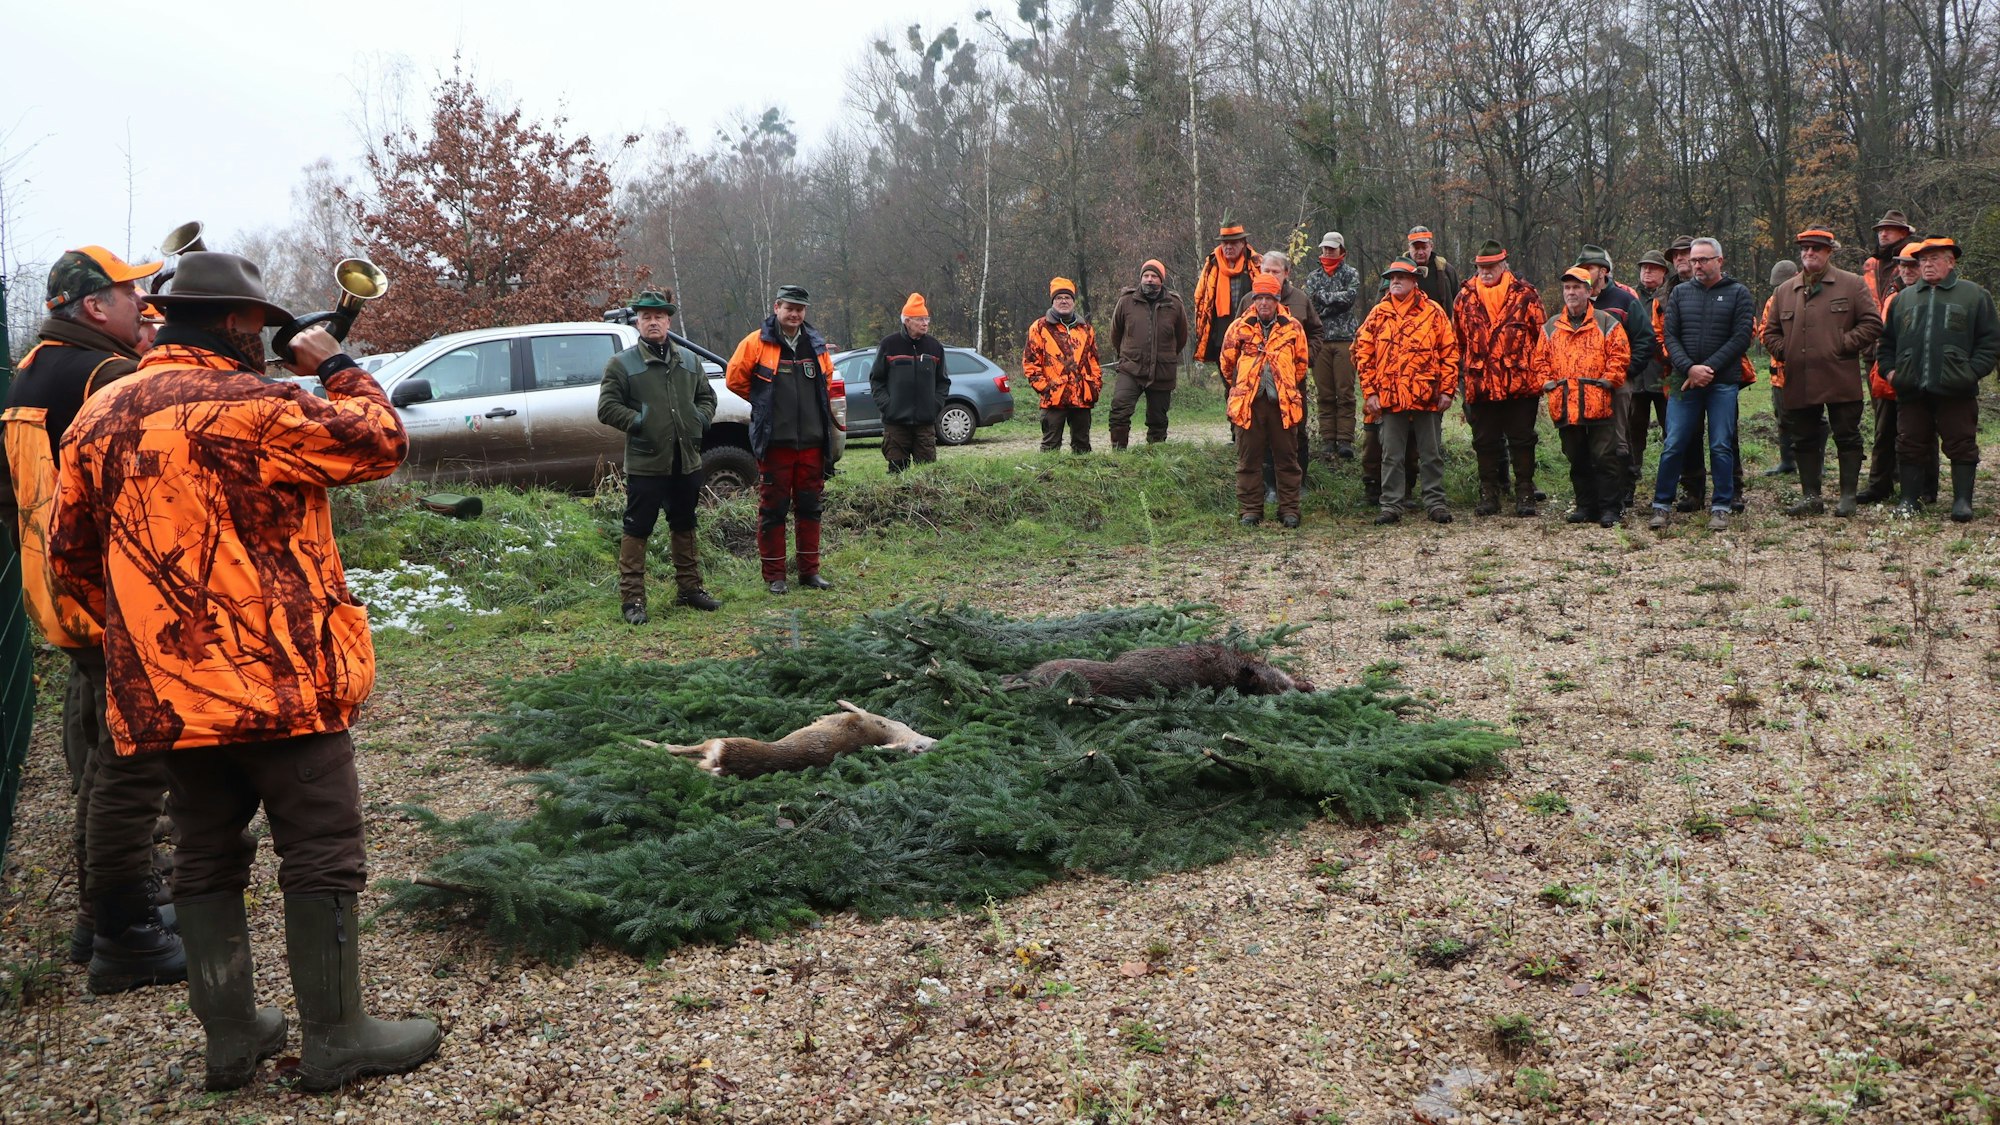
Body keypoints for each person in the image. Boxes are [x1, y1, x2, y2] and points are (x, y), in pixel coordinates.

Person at [49, 251, 438, 1091]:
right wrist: (334, 362)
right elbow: (382, 440)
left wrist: (155, 641)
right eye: (259, 327)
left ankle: (230, 1039)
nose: (264, 341)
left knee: (204, 853)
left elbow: (69, 561)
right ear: (233, 321)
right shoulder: (258, 405)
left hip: (170, 698)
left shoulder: (97, 415)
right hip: (281, 685)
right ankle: (338, 1036)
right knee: (321, 849)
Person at [0, 246, 182, 993]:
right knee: (131, 766)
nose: (143, 301)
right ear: (93, 306)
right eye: (129, 291)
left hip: (56, 590)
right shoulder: (104, 375)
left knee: (102, 758)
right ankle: (124, 929)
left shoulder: (29, 372)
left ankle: (93, 919)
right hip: (109, 592)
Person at [598, 289, 719, 623]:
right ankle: (632, 600)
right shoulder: (621, 364)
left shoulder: (689, 361)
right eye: (647, 317)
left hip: (686, 458)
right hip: (646, 461)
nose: (653, 322)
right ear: (638, 322)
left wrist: (699, 419)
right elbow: (607, 408)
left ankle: (690, 589)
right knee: (638, 527)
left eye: (659, 317)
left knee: (685, 522)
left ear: (668, 322)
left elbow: (707, 398)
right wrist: (640, 421)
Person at [726, 284, 841, 593]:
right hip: (775, 443)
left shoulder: (816, 345)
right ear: (776, 307)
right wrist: (763, 402)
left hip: (812, 443)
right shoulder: (756, 343)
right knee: (773, 509)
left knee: (810, 507)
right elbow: (734, 379)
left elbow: (826, 381)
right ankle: (775, 576)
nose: (794, 314)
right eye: (789, 308)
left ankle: (809, 572)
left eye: (800, 309)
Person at [1877, 237, 2000, 520]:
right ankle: (1909, 500)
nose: (1927, 265)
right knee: (1909, 443)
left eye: (1934, 259)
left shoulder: (1974, 295)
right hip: (1911, 388)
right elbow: (1886, 344)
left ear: (1951, 262)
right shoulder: (1904, 299)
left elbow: (1990, 343)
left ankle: (1962, 502)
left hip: (1956, 388)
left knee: (1962, 443)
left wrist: (1971, 372)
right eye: (1923, 260)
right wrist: (1892, 373)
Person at [1763, 228, 1883, 517]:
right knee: (1803, 438)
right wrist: (1787, 350)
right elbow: (1770, 332)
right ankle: (1811, 498)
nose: (1809, 253)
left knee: (1847, 435)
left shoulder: (1851, 284)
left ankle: (1848, 496)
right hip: (1799, 379)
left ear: (1829, 251)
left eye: (1816, 248)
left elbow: (1872, 324)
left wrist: (1842, 344)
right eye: (1805, 248)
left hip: (1840, 375)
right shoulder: (1784, 290)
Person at [1651, 237, 1755, 531]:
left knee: (1721, 444)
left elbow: (1741, 337)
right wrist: (1690, 368)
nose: (1696, 264)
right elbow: (1670, 337)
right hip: (1684, 381)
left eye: (1703, 259)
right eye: (1694, 260)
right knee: (1674, 442)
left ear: (1719, 261)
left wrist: (1708, 368)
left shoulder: (1738, 293)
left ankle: (1721, 506)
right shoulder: (1680, 293)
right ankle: (1661, 505)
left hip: (1722, 382)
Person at [1355, 257, 1459, 525]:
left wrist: (1447, 390)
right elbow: (1363, 354)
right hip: (1389, 397)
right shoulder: (1378, 313)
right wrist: (1370, 393)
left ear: (1414, 281)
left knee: (1431, 454)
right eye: (1392, 278)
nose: (1395, 281)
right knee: (1391, 455)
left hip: (1427, 395)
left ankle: (1435, 503)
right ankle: (1391, 505)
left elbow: (1449, 352)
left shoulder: (1433, 312)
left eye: (1401, 277)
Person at [1453, 240, 1545, 516]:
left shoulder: (1526, 295)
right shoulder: (1464, 297)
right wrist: (1461, 377)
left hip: (1520, 384)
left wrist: (1540, 378)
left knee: (1523, 440)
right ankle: (1489, 494)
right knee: (1484, 442)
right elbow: (1457, 342)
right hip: (1480, 383)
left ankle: (1525, 493)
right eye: (1481, 267)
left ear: (1504, 264)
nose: (1485, 271)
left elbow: (1541, 340)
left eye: (1491, 266)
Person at [1535, 267, 1632, 527]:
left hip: (1599, 400)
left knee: (1605, 457)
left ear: (1589, 292)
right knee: (1576, 457)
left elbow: (1620, 355)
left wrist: (1608, 380)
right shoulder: (1551, 326)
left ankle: (1610, 508)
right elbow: (1540, 360)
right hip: (1565, 402)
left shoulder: (1606, 322)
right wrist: (1548, 383)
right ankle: (1585, 506)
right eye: (1567, 287)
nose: (1571, 292)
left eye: (1577, 287)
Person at [1220, 274, 1310, 526]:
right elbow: (1227, 364)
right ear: (1253, 300)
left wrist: (1283, 383)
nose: (1263, 303)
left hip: (1283, 405)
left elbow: (1301, 364)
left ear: (1277, 299)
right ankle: (1250, 510)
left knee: (1287, 460)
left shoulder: (1293, 327)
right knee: (1248, 460)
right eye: (1259, 298)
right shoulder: (1239, 327)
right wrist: (1244, 386)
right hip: (1249, 405)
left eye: (1269, 298)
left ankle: (1289, 510)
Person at [1576, 245, 1655, 511]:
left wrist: (1627, 372)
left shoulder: (1623, 299)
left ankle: (1623, 491)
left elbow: (1645, 338)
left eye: (1589, 268)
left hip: (1617, 382)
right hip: (1584, 385)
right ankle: (1594, 495)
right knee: (1587, 439)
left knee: (1618, 438)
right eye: (1580, 268)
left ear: (1603, 271)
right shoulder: (1578, 299)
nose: (1584, 273)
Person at [1861, 244, 1933, 504]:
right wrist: (1887, 371)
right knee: (1883, 432)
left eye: (1912, 265)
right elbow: (1884, 337)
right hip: (1888, 375)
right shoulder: (1893, 294)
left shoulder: (1931, 296)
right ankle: (1879, 485)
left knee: (1922, 434)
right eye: (1903, 265)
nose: (1907, 270)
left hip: (1919, 377)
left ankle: (1925, 489)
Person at [1257, 250, 1322, 494]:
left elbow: (1316, 332)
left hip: (1293, 380)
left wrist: (1305, 358)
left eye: (1276, 271)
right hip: (1260, 382)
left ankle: (1299, 483)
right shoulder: (1250, 299)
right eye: (1266, 270)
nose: (1271, 275)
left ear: (1286, 273)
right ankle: (1270, 486)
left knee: (1297, 430)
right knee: (1264, 432)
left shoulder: (1300, 299)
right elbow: (1235, 338)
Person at [1107, 259, 1188, 448]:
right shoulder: (1126, 301)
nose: (1149, 279)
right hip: (1131, 368)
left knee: (1158, 418)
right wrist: (1127, 355)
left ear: (1161, 280)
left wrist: (1165, 356)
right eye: (1146, 275)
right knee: (1119, 409)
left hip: (1162, 370)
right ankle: (1119, 452)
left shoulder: (1174, 304)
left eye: (1154, 276)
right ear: (1141, 278)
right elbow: (1115, 333)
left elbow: (1181, 337)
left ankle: (1155, 453)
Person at [868, 292, 950, 469]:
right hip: (895, 424)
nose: (925, 323)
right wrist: (888, 406)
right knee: (897, 471)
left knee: (926, 471)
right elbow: (877, 380)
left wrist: (934, 405)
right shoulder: (889, 345)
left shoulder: (934, 347)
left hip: (925, 424)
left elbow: (943, 382)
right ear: (907, 321)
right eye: (920, 319)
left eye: (927, 319)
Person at [1022, 277, 1103, 454]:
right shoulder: (1039, 327)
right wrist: (1045, 388)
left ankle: (1081, 472)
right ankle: (1048, 473)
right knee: (1050, 446)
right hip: (1053, 398)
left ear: (1073, 301)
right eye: (1059, 298)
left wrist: (1094, 386)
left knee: (1082, 446)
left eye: (1067, 297)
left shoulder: (1086, 329)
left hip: (1081, 398)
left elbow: (1094, 361)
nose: (1063, 301)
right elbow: (1030, 363)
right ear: (1053, 301)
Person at [1304, 231, 1361, 461]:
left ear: (1341, 250)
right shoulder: (1313, 276)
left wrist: (1323, 298)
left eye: (1332, 248)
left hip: (1346, 339)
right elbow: (1311, 304)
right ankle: (1328, 439)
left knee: (1345, 392)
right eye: (1325, 248)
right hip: (1320, 341)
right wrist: (1334, 300)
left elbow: (1349, 299)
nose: (1328, 251)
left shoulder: (1351, 273)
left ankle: (1345, 440)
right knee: (1325, 393)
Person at [1628, 251, 1674, 495]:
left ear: (1663, 272)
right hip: (1636, 374)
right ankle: (1632, 472)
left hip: (1665, 373)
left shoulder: (1670, 296)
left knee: (1671, 426)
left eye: (1653, 268)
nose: (1647, 271)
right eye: (1644, 267)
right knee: (1634, 427)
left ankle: (1672, 473)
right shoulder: (1629, 296)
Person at [1192, 222, 1257, 365]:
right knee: (1226, 376)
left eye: (1233, 243)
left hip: (1251, 337)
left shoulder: (1255, 266)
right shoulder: (1212, 266)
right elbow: (1201, 300)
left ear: (1243, 243)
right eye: (1225, 243)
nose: (1228, 247)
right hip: (1220, 338)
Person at [1758, 260, 1801, 478]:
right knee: (1783, 417)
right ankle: (1787, 462)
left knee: (1813, 420)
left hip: (1808, 371)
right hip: (1780, 372)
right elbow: (1764, 332)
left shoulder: (1808, 298)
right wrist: (1783, 348)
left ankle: (1816, 463)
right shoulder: (1772, 302)